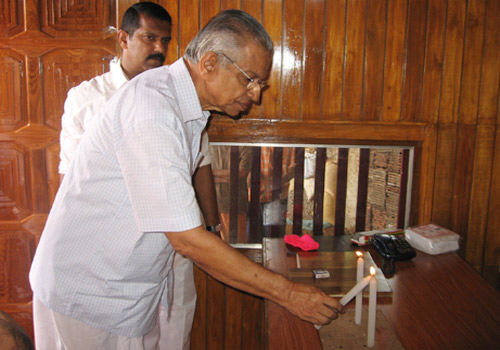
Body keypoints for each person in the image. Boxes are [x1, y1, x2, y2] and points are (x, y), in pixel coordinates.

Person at [29, 9, 344, 349]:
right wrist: (289, 293)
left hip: (124, 291)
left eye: (261, 84)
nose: (256, 95)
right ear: (209, 64)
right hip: (89, 295)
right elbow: (187, 239)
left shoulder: (189, 109)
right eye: (250, 79)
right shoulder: (152, 106)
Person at [55, 3, 219, 349]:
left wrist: (212, 225)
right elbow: (73, 180)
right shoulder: (87, 99)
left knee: (175, 331)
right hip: (114, 253)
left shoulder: (182, 99)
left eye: (165, 40)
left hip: (177, 237)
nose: (159, 48)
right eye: (149, 38)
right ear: (123, 39)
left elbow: (201, 162)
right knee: (122, 336)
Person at [210, 145, 252, 243]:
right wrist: (228, 176)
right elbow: (202, 173)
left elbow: (242, 172)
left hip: (233, 202)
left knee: (234, 244)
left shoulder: (243, 144)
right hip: (213, 202)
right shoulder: (210, 144)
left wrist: (213, 174)